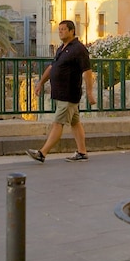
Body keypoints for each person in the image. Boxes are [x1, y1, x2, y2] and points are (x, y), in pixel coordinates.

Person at [26, 20, 97, 163]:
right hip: (60, 93)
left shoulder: (79, 49)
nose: (60, 32)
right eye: (59, 29)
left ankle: (42, 153)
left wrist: (89, 92)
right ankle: (82, 152)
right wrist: (40, 82)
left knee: (58, 123)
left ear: (72, 31)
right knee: (75, 122)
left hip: (69, 93)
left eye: (63, 29)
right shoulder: (61, 48)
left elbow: (87, 72)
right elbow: (53, 67)